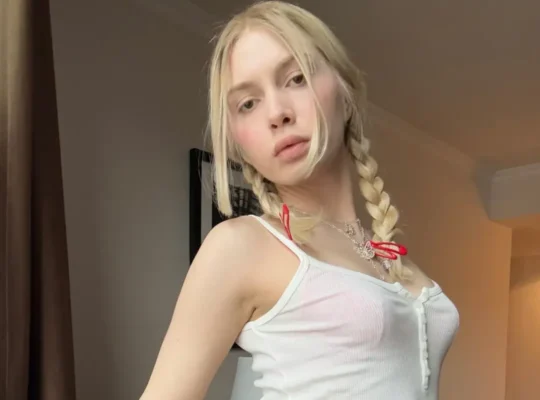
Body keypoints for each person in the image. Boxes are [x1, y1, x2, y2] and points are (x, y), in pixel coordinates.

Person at [140, 1, 460, 399]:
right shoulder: (240, 246)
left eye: (296, 78)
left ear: (344, 91)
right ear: (238, 140)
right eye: (247, 103)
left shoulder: (384, 254)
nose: (276, 113)